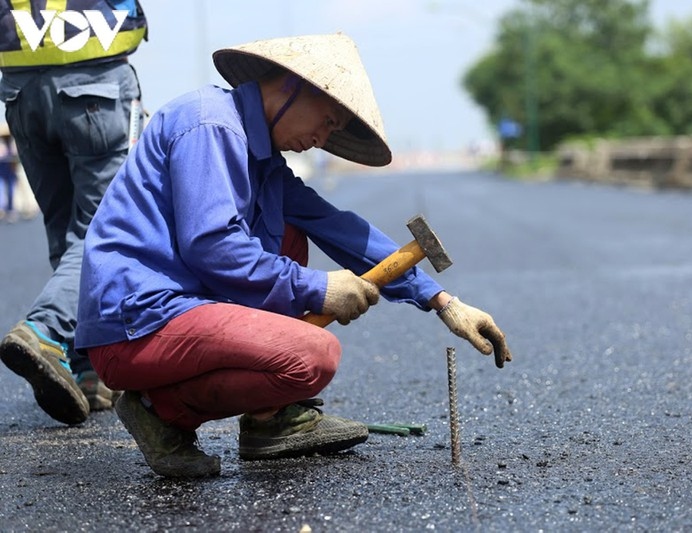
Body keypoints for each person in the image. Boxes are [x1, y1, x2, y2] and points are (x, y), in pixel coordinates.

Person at [75, 33, 513, 478]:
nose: (321, 139)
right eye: (326, 121)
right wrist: (318, 288)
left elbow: (334, 225)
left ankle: (269, 419)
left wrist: (442, 302)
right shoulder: (210, 125)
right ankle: (160, 410)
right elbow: (212, 246)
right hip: (135, 325)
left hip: (179, 311)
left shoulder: (261, 160)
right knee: (313, 355)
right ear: (289, 86)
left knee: (289, 232)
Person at [0, 2, 148, 425]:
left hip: (21, 85)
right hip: (94, 76)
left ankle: (86, 368)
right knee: (100, 231)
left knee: (65, 232)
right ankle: (45, 330)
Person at [0, 123, 16, 221]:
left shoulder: (11, 143)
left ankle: (10, 208)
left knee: (10, 189)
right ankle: (3, 208)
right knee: (2, 189)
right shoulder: (3, 144)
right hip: (2, 170)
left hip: (9, 170)